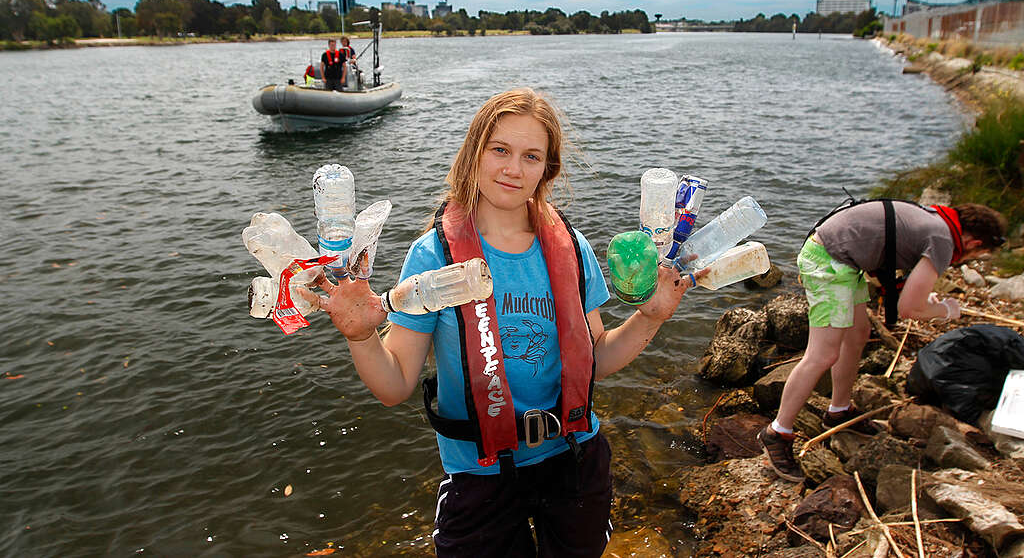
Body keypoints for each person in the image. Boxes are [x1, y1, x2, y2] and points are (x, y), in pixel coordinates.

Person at [300, 88, 705, 557]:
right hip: (479, 472)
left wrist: (650, 315)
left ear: (546, 169)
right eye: (500, 150)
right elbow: (394, 385)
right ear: (474, 154)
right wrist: (361, 335)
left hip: (574, 458)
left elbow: (598, 358)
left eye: (531, 156)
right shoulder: (432, 256)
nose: (514, 169)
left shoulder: (571, 248)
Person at [758, 200, 1007, 482]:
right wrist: (946, 310)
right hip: (828, 260)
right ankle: (777, 432)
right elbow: (909, 309)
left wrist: (928, 300)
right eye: (976, 255)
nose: (965, 261)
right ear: (973, 242)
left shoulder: (940, 220)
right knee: (822, 355)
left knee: (857, 335)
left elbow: (912, 289)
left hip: (843, 257)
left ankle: (838, 411)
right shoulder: (943, 240)